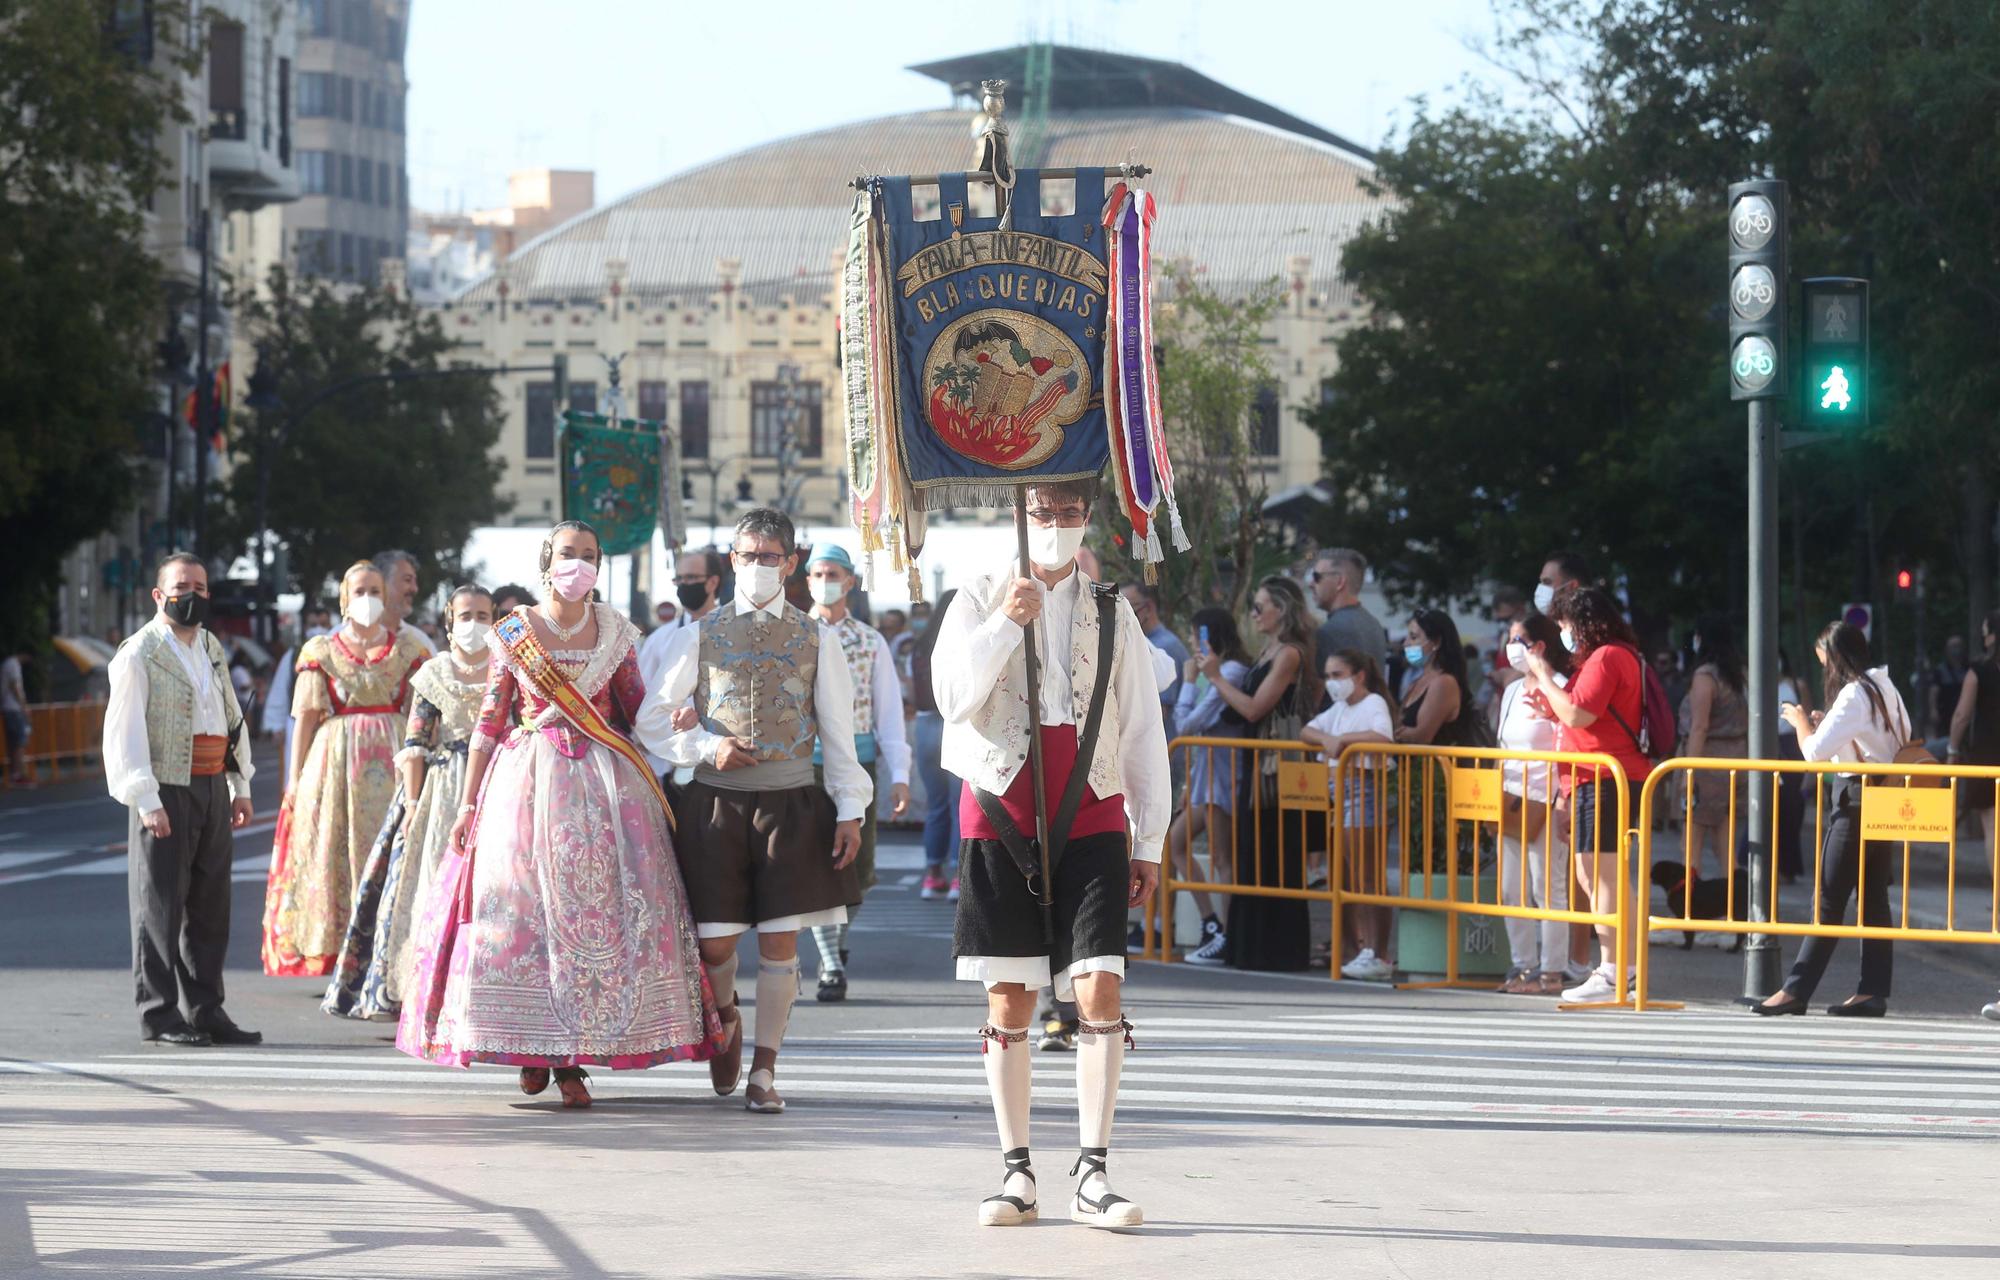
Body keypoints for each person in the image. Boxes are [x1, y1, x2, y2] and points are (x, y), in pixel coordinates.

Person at [399, 522, 725, 1108]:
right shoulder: (515, 632)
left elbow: (636, 710)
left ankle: (573, 1060)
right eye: (569, 555)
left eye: (590, 557)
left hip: (606, 793)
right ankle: (531, 1049)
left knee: (594, 923)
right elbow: (490, 723)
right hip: (524, 788)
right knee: (526, 917)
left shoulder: (618, 633)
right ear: (547, 562)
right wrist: (468, 802)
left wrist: (684, 720)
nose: (579, 565)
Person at [933, 478, 1165, 1228]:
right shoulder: (975, 593)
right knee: (1012, 997)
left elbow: (1138, 726)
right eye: (1042, 513)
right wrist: (1006, 622)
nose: (1056, 525)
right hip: (1002, 801)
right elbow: (952, 697)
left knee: (1099, 989)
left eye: (1069, 513)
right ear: (1018, 516)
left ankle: (1094, 1170)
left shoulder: (1111, 609)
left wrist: (1150, 834)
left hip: (1091, 803)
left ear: (1087, 517)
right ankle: (1016, 1171)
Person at [636, 507, 870, 1115]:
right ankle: (725, 1016)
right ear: (730, 562)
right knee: (715, 944)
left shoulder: (817, 638)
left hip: (790, 802)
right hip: (714, 802)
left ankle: (766, 1070)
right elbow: (652, 720)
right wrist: (706, 746)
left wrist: (851, 809)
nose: (759, 566)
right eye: (748, 555)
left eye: (771, 556)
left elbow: (839, 735)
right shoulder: (701, 634)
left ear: (790, 563)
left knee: (779, 943)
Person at [102, 554, 259, 1046]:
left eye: (199, 586)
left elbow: (229, 714)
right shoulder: (138, 653)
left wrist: (241, 783)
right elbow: (123, 732)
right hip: (165, 784)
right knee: (160, 904)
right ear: (158, 594)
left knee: (211, 905)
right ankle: (159, 1013)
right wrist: (146, 798)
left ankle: (206, 1010)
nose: (190, 594)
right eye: (180, 585)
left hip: (213, 780)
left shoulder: (210, 645)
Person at [324, 585, 496, 1020]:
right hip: (443, 786)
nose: (474, 624)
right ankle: (427, 989)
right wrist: (414, 804)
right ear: (449, 621)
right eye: (465, 615)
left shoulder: (506, 670)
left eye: (483, 615)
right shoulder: (434, 673)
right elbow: (416, 742)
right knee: (428, 885)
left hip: (499, 780)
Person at [262, 560, 430, 977]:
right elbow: (305, 718)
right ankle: (340, 953)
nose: (369, 600)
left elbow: (423, 716)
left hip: (391, 762)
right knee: (333, 851)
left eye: (375, 591)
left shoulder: (410, 650)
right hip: (334, 765)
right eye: (360, 592)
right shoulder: (319, 652)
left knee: (389, 852)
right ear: (344, 600)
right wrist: (294, 779)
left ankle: (389, 950)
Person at [1757, 621, 1915, 1018]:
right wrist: (1826, 722)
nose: (1823, 668)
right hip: (1883, 795)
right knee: (1874, 898)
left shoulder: (1853, 694)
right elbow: (1900, 734)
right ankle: (1872, 991)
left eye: (1824, 660)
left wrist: (1799, 723)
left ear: (1836, 658)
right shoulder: (1883, 687)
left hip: (1855, 800)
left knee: (1828, 897)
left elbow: (1814, 754)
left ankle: (1795, 991)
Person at [1524, 586, 1652, 1004]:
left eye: (1563, 625)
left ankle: (1614, 969)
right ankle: (1621, 968)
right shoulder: (1616, 655)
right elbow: (1579, 713)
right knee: (1599, 875)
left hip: (1603, 777)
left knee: (1600, 875)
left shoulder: (1608, 656)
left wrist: (1543, 674)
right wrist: (1551, 706)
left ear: (1581, 623)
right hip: (1599, 777)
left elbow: (1580, 712)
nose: (1563, 633)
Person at [1196, 576, 1322, 973]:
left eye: (1260, 605)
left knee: (1277, 851)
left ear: (1280, 611)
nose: (1254, 613)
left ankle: (1279, 949)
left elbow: (1255, 708)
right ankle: (1250, 946)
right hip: (1260, 762)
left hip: (1279, 765)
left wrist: (1215, 678)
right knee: (1255, 851)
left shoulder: (1289, 654)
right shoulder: (1269, 649)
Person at [803, 543, 912, 1002]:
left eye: (834, 573)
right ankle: (831, 964)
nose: (826, 580)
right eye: (817, 573)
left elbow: (888, 712)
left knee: (858, 868)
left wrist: (900, 773)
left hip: (858, 761)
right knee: (812, 866)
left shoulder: (870, 641)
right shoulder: (792, 635)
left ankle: (837, 944)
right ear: (806, 580)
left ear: (850, 580)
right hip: (803, 764)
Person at [1494, 614, 1590, 995]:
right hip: (1511, 799)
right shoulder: (1513, 690)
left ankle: (1550, 972)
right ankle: (1523, 966)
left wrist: (1564, 802)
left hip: (1548, 799)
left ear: (1538, 647)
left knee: (1548, 889)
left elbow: (1570, 746)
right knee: (1510, 890)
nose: (1510, 647)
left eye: (1516, 639)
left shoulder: (1561, 687)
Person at [1301, 647, 1397, 979]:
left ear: (1358, 676)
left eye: (1338, 675)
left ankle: (1377, 951)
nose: (1331, 683)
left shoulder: (1373, 704)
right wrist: (1330, 739)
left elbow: (1383, 738)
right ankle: (1355, 948)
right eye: (1327, 676)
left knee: (1366, 877)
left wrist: (1343, 741)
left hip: (1364, 792)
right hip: (1337, 795)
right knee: (1345, 876)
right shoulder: (1338, 707)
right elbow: (1307, 731)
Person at [1170, 607, 1252, 962]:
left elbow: (1188, 723)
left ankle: (1232, 934)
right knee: (1175, 843)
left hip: (1223, 774)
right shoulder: (1215, 672)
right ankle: (1212, 923)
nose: (1190, 643)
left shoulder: (1229, 671)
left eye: (1194, 636)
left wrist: (1189, 681)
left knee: (1222, 857)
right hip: (1205, 776)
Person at [1680, 616, 1749, 879]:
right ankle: (1731, 904)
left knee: (1691, 841)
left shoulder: (1705, 676)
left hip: (1707, 764)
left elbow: (1699, 727)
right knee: (1725, 842)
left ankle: (1689, 904)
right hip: (1736, 763)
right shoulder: (1740, 675)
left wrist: (1688, 771)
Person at [912, 588, 963, 901]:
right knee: (961, 806)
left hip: (923, 724)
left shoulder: (919, 647)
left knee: (936, 805)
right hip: (953, 724)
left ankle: (932, 876)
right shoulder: (959, 643)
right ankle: (958, 876)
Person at [1948, 612, 2000, 868]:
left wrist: (1952, 748)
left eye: (1985, 631)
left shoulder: (1979, 670)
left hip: (1989, 756)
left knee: (1992, 824)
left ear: (1992, 636)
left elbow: (1962, 715)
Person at [262, 605, 333, 784]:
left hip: (332, 725)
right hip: (297, 725)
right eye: (313, 624)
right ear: (305, 627)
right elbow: (280, 688)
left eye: (323, 624)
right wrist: (276, 726)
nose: (318, 628)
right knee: (296, 779)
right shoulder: (295, 655)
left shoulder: (339, 652)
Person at [1310, 547, 1389, 672]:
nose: (1311, 584)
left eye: (1317, 577)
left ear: (1340, 582)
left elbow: (1320, 687)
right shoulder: (1374, 624)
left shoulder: (1330, 631)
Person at [1775, 648, 1812, 881]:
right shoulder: (1754, 684)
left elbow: (1806, 716)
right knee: (1769, 809)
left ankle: (1787, 867)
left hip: (1792, 745)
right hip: (1767, 745)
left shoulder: (1796, 685)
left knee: (1791, 809)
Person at [374, 549, 437, 656]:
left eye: (415, 582)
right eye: (407, 580)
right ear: (382, 583)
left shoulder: (421, 642)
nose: (415, 589)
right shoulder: (343, 639)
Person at [1929, 634, 1970, 742]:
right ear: (1947, 650)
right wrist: (1933, 710)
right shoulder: (1940, 671)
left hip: (1965, 715)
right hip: (1945, 715)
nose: (1956, 650)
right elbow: (1934, 692)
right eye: (1953, 646)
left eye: (1958, 646)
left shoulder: (1969, 669)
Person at [2, 647, 33, 786]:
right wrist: (24, 707)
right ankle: (18, 774)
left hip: (8, 707)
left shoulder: (7, 664)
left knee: (13, 743)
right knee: (19, 742)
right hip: (13, 708)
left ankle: (14, 773)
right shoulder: (13, 665)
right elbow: (15, 687)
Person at [1534, 550, 1590, 615]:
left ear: (1572, 586)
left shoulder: (1597, 623)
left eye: (1547, 582)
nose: (1540, 589)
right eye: (1541, 582)